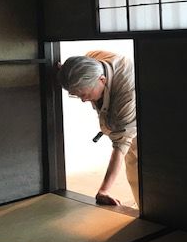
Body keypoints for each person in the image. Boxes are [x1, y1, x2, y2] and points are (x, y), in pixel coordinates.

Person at [57, 51, 139, 206]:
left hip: (148, 118)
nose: (83, 100)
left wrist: (104, 190)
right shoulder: (92, 59)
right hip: (123, 117)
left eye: (85, 94)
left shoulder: (126, 92)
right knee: (132, 165)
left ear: (102, 80)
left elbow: (121, 143)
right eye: (77, 95)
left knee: (139, 166)